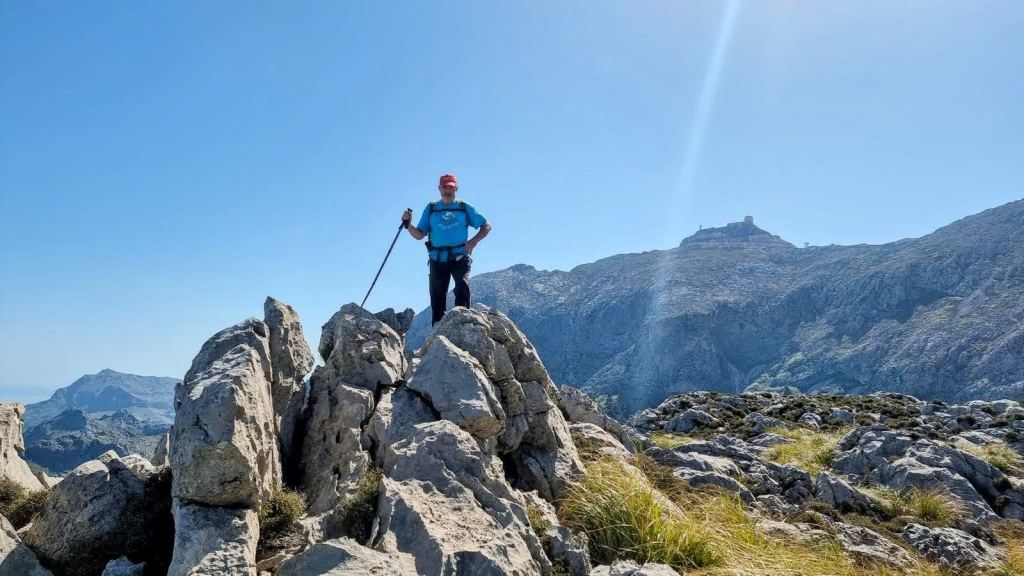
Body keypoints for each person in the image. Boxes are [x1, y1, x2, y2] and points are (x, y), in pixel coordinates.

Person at [403, 173, 491, 325]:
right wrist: (408, 225)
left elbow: (486, 225)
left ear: (456, 188)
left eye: (451, 187)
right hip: (437, 259)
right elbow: (419, 235)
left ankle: (463, 325)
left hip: (460, 257)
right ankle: (439, 332)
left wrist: (473, 242)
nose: (448, 190)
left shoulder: (463, 207)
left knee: (462, 288)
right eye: (445, 187)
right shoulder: (431, 208)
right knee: (437, 298)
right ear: (439, 188)